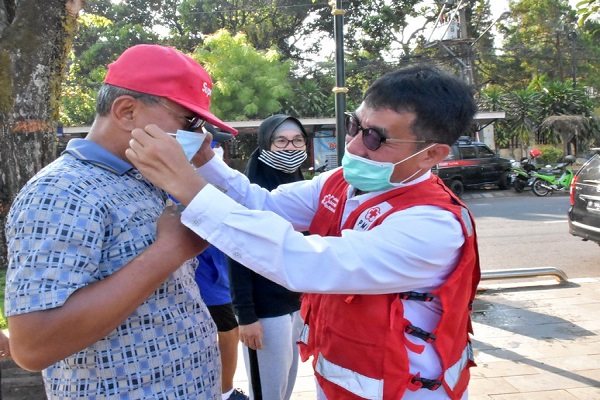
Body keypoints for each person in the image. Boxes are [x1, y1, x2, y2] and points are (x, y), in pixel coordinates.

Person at [126, 64, 481, 400]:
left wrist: (189, 187)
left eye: (376, 139)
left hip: (408, 389)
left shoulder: (432, 226)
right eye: (354, 125)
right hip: (345, 379)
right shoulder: (340, 183)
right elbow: (262, 204)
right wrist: (205, 162)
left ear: (430, 154)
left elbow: (300, 261)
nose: (354, 145)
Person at [4, 44, 238, 398]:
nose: (200, 135)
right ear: (127, 111)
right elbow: (33, 345)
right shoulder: (60, 191)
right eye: (189, 121)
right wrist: (169, 252)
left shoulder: (142, 176)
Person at [228, 115, 307, 400]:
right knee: (268, 391)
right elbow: (237, 253)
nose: (290, 148)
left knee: (286, 384)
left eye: (297, 140)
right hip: (263, 310)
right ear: (265, 144)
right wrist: (246, 316)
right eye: (281, 141)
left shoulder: (299, 183)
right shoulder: (250, 191)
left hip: (294, 304)